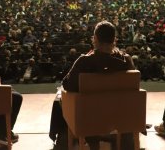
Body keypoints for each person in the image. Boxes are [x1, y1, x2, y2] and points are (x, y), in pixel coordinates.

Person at [52, 21, 135, 150]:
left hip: (87, 118)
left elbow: (67, 85)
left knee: (60, 100)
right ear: (114, 40)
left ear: (95, 38)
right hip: (119, 117)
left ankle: (63, 142)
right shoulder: (126, 61)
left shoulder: (84, 61)